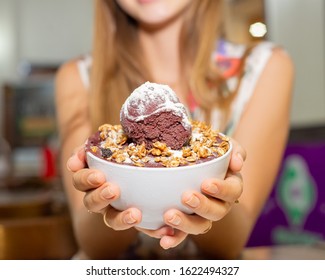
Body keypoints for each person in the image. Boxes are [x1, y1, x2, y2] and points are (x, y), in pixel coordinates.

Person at [55, 0, 294, 259]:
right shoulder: (79, 77)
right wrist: (115, 193)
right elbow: (95, 247)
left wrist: (212, 183)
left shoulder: (264, 68)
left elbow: (227, 246)